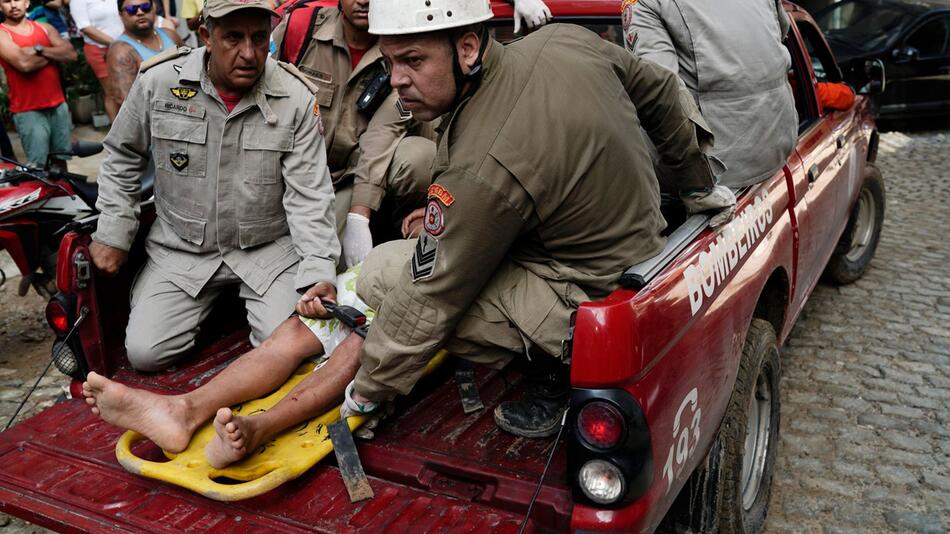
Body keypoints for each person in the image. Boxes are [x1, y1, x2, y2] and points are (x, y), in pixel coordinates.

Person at [90, 0, 340, 373]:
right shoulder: (160, 82)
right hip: (183, 249)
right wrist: (113, 231)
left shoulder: (295, 98)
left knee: (287, 351)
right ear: (206, 35)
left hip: (266, 251)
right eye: (233, 38)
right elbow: (122, 154)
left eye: (259, 38)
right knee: (146, 353)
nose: (249, 53)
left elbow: (310, 195)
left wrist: (319, 272)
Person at [271, 0, 436, 269]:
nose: (365, 1)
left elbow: (384, 131)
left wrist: (359, 216)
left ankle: (390, 226)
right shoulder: (300, 28)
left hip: (354, 175)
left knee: (419, 156)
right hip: (298, 168)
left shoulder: (402, 45)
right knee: (295, 260)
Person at [621, 0, 798, 189]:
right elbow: (781, 31)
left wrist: (695, 186)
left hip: (713, 174)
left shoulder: (645, 3)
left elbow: (660, 92)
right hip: (777, 150)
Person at [0, 0, 76, 168]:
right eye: (6, 1)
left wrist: (39, 49)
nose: (13, 5)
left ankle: (64, 193)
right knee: (38, 167)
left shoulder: (45, 28)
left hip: (58, 105)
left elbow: (70, 54)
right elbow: (24, 64)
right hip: (28, 110)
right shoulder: (2, 34)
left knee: (61, 162)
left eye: (18, 0)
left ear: (27, 3)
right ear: (0, 6)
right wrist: (54, 54)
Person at [106, 0, 182, 109]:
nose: (140, 12)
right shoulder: (120, 51)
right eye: (132, 9)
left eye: (145, 6)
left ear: (154, 7)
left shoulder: (170, 35)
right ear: (121, 14)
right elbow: (127, 104)